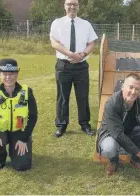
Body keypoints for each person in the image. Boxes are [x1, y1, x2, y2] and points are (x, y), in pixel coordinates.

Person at [96, 73, 140, 176]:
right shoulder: (111, 104)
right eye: (131, 87)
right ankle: (113, 160)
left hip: (131, 133)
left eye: (137, 89)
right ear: (123, 86)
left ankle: (135, 159)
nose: (133, 92)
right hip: (111, 135)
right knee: (109, 147)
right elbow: (117, 134)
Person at [49, 0, 98, 137]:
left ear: (78, 7)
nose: (72, 7)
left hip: (81, 66)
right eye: (69, 4)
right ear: (64, 6)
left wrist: (82, 54)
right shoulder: (57, 23)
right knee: (62, 97)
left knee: (82, 96)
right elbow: (54, 43)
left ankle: (85, 124)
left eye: (74, 4)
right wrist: (70, 54)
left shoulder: (86, 24)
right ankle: (61, 125)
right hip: (63, 65)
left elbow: (91, 44)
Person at [0, 58, 38, 171]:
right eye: (5, 74)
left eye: (12, 73)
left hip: (19, 132)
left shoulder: (27, 92)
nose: (8, 77)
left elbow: (33, 117)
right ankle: (0, 157)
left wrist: (24, 137)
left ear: (17, 74)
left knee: (22, 166)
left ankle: (15, 152)